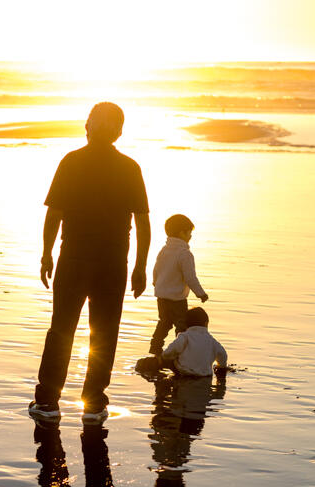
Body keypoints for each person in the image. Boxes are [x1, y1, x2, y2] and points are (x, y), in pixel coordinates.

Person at [29, 102, 151, 426]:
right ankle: (93, 403)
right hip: (113, 264)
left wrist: (46, 253)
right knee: (105, 334)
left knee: (61, 330)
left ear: (88, 126)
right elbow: (142, 223)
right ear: (119, 132)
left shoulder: (72, 161)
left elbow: (54, 214)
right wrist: (140, 267)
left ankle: (48, 402)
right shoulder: (130, 167)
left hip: (74, 260)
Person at [149, 214, 208, 357]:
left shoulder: (164, 250)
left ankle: (155, 348)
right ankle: (181, 352)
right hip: (177, 299)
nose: (190, 236)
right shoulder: (184, 253)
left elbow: (156, 269)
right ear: (182, 233)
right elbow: (190, 277)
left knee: (164, 322)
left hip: (162, 296)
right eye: (189, 232)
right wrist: (200, 293)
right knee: (181, 326)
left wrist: (156, 283)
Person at [160, 307, 227, 378]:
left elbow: (169, 351)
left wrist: (163, 357)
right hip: (205, 376)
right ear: (206, 323)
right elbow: (223, 355)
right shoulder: (212, 340)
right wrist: (221, 366)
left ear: (186, 324)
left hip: (184, 373)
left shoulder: (185, 337)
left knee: (168, 359)